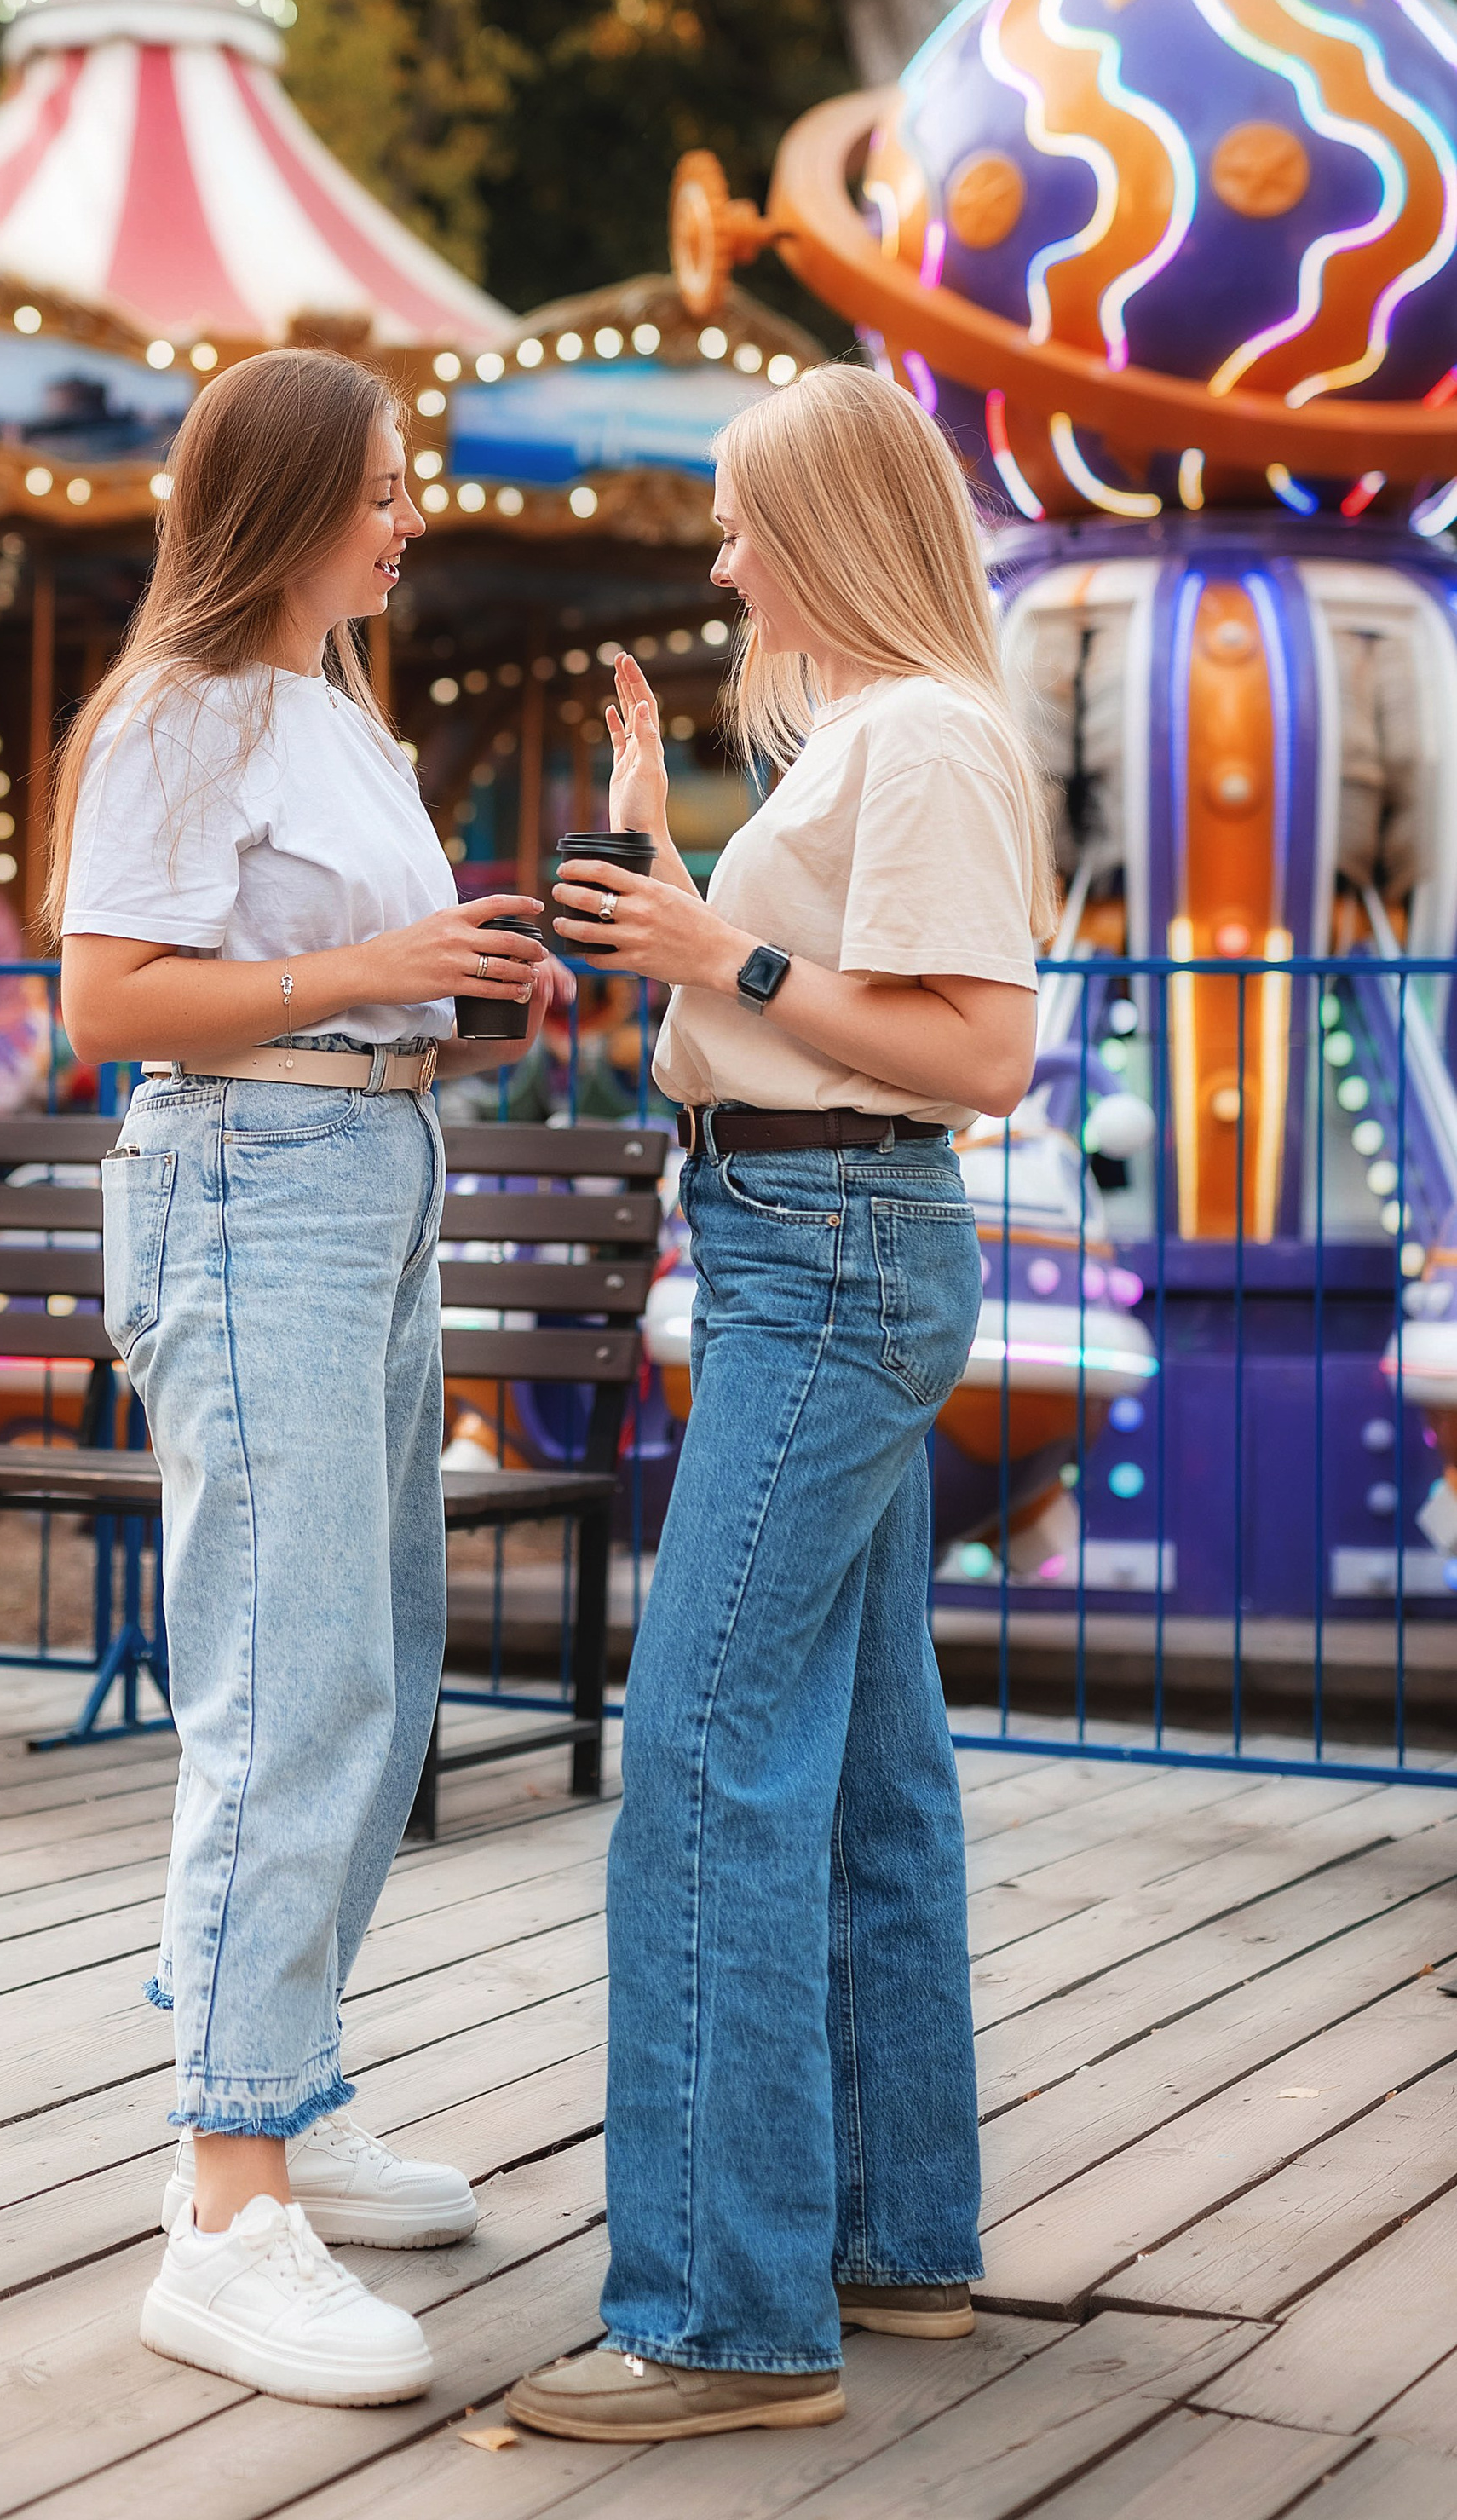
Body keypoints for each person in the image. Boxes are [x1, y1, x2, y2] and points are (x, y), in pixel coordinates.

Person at [510, 360, 1050, 2443]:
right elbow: (811, 989)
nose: (724, 554)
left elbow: (969, 1049)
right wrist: (671, 879)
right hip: (821, 1245)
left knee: (707, 1742)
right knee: (865, 1760)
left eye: (745, 519)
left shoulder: (916, 735)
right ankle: (890, 2238)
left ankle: (724, 2316)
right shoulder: (885, 733)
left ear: (828, 524)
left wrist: (710, 947)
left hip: (819, 1256)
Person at [52, 347, 567, 2410]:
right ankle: (222, 2192)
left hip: (368, 1161)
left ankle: (285, 2079)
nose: (406, 515)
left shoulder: (339, 717)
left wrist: (478, 1001)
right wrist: (378, 975)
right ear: (281, 503)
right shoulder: (179, 711)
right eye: (378, 487)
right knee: (288, 1681)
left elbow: (353, 991)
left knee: (382, 1666)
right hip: (255, 1180)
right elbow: (110, 995)